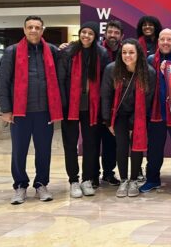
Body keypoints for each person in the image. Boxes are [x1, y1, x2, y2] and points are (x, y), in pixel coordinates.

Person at [0, 16, 62, 204]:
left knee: (44, 151)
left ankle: (41, 184)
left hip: (44, 111)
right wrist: (6, 109)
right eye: (30, 27)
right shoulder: (12, 51)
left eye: (37, 27)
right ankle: (20, 185)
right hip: (20, 112)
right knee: (19, 150)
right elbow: (3, 82)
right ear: (24, 29)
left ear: (43, 30)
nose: (33, 30)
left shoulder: (51, 50)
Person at [58, 22, 109, 198]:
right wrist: (63, 104)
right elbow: (61, 78)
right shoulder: (68, 51)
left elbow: (105, 80)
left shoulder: (101, 53)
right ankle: (73, 180)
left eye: (90, 33)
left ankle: (87, 179)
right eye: (83, 32)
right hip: (70, 105)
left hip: (92, 106)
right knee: (70, 144)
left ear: (95, 36)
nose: (86, 36)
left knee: (91, 144)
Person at [101, 38, 156, 198]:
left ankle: (133, 180)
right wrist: (107, 120)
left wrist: (134, 124)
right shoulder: (112, 69)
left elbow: (148, 100)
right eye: (124, 52)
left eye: (131, 52)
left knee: (137, 147)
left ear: (138, 54)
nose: (127, 55)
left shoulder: (148, 72)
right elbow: (105, 95)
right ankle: (124, 179)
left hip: (138, 115)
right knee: (122, 146)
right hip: (118, 116)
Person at [139, 29, 171, 194]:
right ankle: (152, 179)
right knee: (154, 149)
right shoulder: (150, 60)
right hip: (157, 113)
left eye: (169, 39)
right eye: (162, 39)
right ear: (158, 42)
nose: (165, 42)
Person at [96, 20, 124, 186]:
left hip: (115, 104)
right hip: (95, 103)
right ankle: (92, 175)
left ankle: (108, 172)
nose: (113, 35)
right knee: (92, 142)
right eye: (110, 32)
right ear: (105, 33)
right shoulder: (97, 49)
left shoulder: (125, 51)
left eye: (116, 33)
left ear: (121, 36)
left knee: (111, 141)